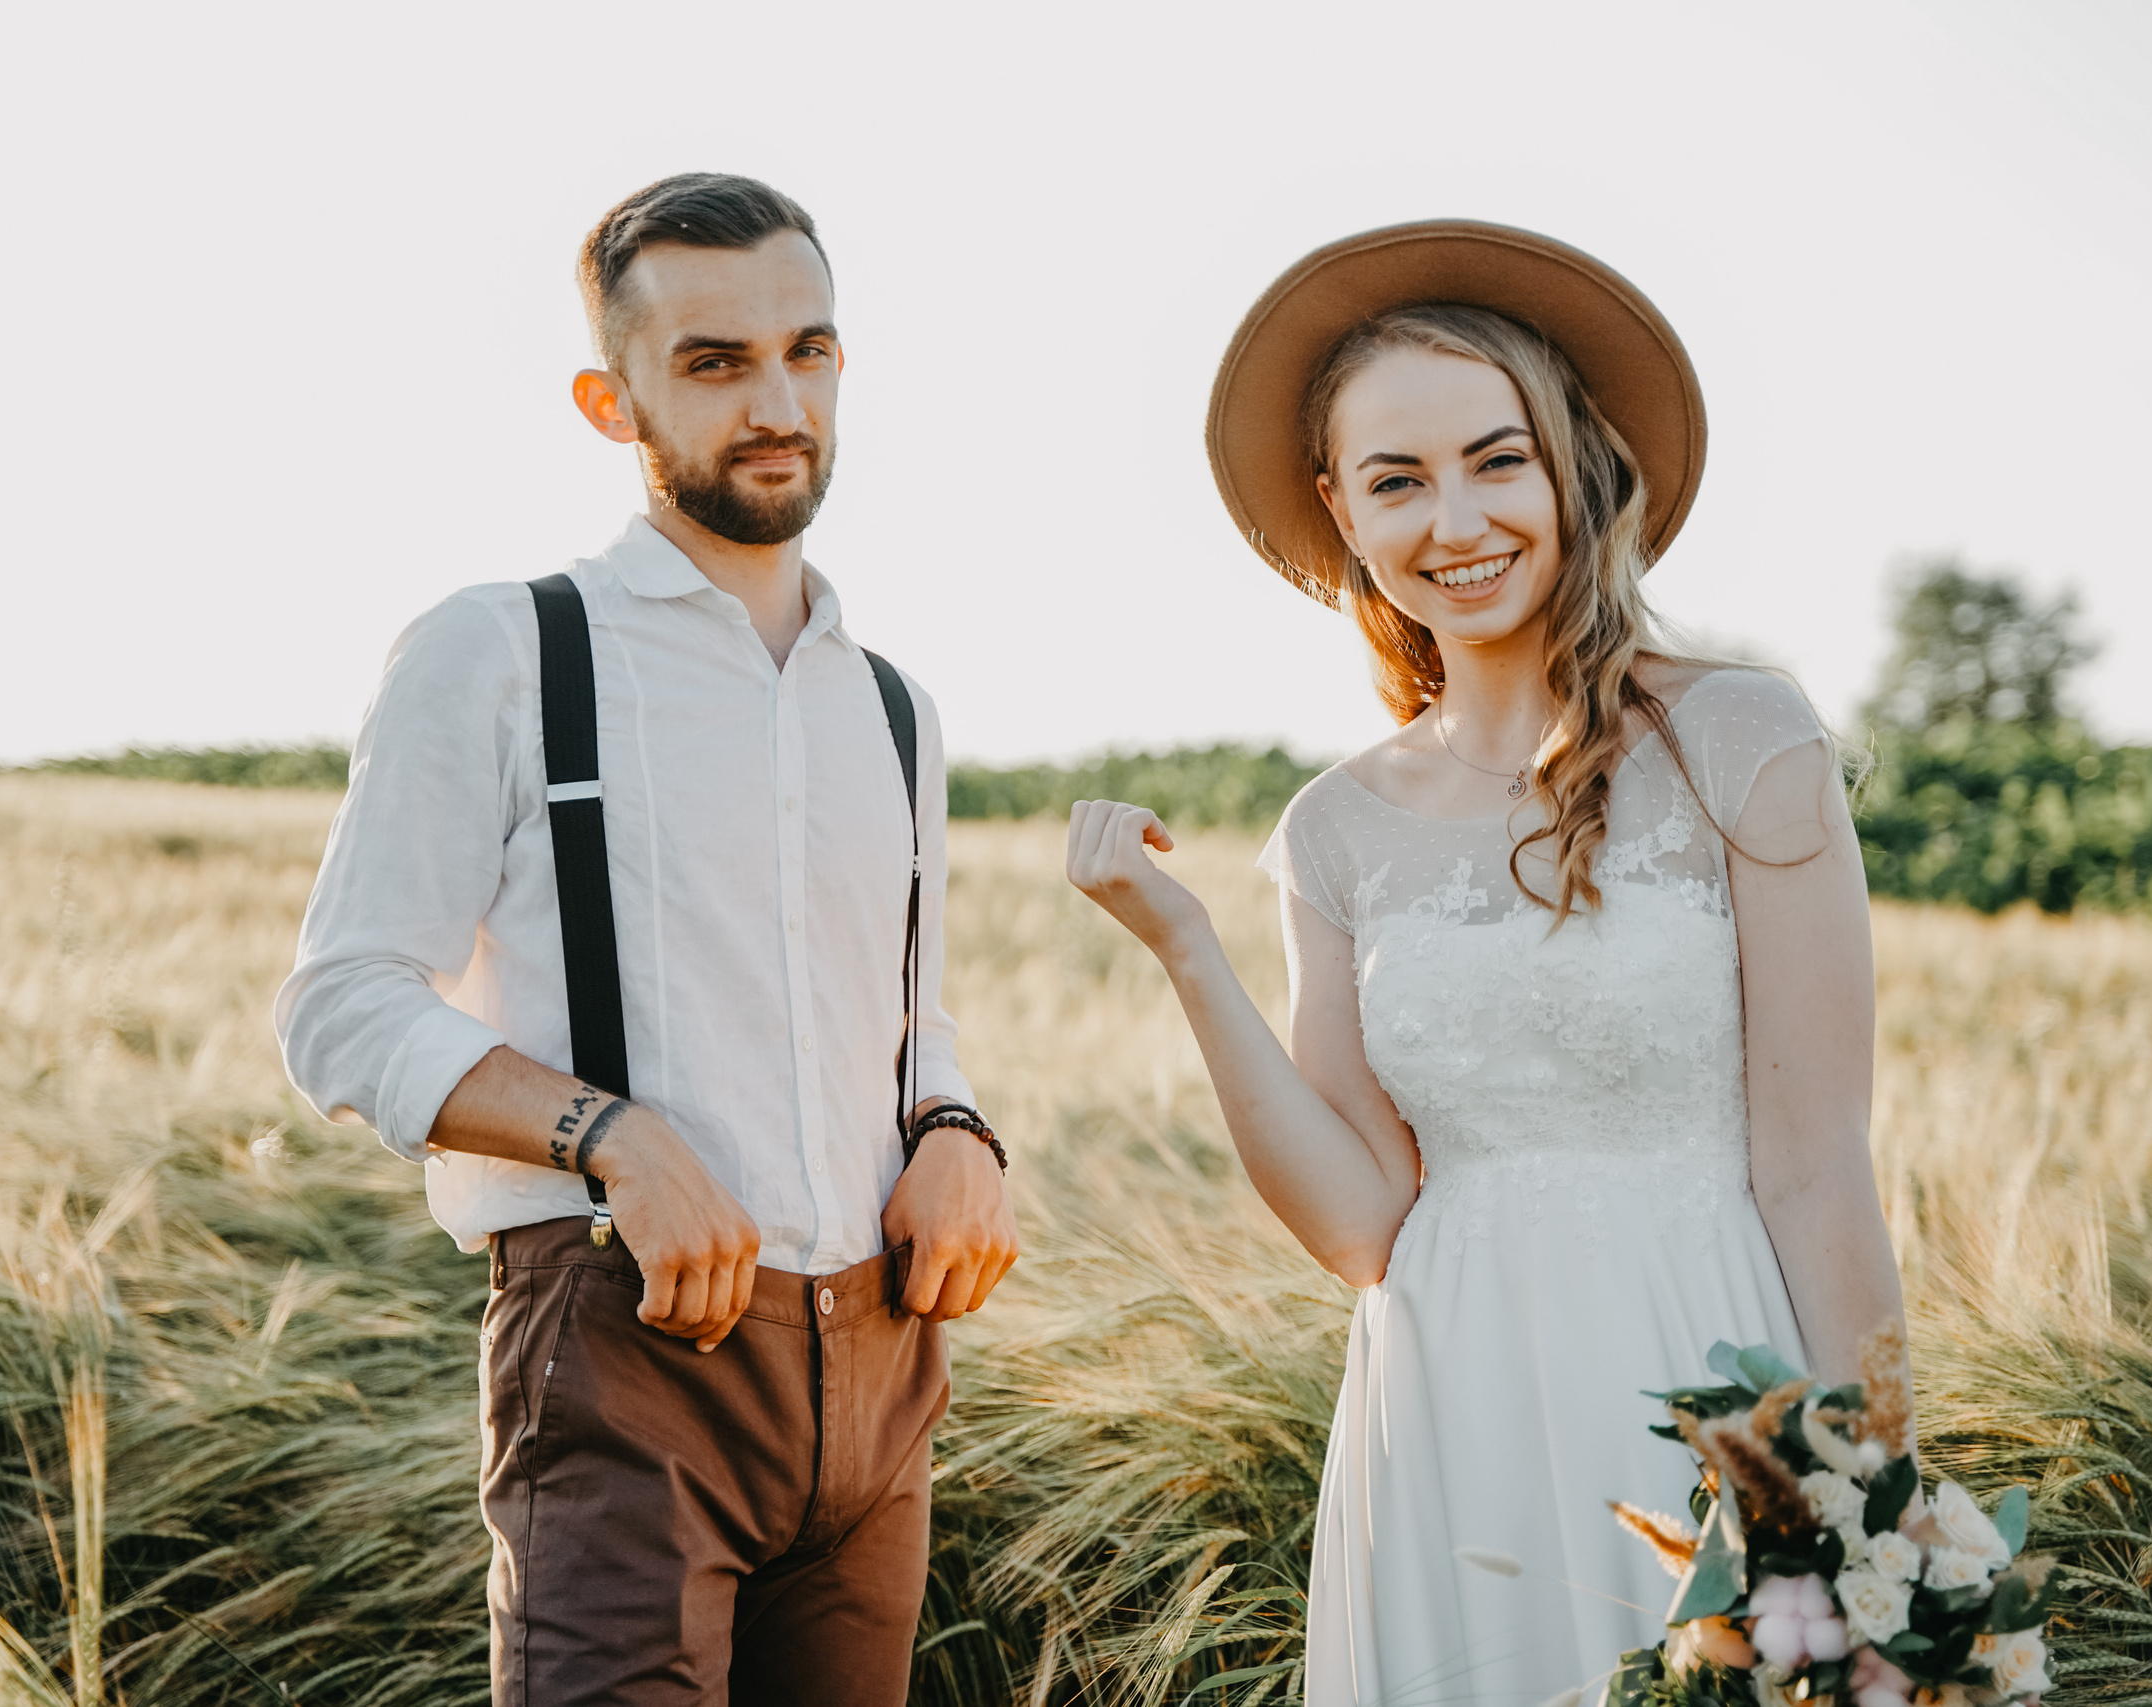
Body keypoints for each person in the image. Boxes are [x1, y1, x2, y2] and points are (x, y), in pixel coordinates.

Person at [1066, 221, 1905, 1704]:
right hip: (1446, 1410)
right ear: (1342, 511)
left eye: (1495, 459)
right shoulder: (1334, 832)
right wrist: (1185, 950)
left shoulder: (1743, 740)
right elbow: (1360, 1224)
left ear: (1576, 461)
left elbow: (1816, 1165)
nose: (1455, 518)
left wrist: (1878, 1501)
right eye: (1398, 481)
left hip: (1706, 1381)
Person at [275, 173, 1018, 1707]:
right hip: (625, 1353)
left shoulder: (893, 708)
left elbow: (903, 1017)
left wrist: (956, 1125)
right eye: (714, 362)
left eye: (808, 351)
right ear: (608, 400)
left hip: (881, 1378)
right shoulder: (502, 650)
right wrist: (607, 1133)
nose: (777, 400)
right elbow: (341, 1005)